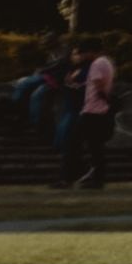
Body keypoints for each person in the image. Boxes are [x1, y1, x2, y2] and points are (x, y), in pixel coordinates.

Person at [56, 44, 117, 190]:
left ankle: (68, 178)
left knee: (73, 143)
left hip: (91, 110)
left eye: (83, 53)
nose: (82, 57)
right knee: (96, 147)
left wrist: (103, 99)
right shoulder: (107, 62)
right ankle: (97, 180)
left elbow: (98, 84)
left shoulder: (96, 64)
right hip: (100, 111)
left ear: (90, 52)